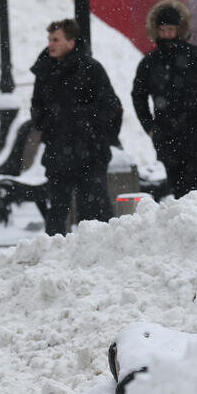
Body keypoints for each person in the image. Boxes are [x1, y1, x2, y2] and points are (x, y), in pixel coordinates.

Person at [30, 19, 122, 236]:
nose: (51, 44)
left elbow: (111, 107)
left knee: (93, 209)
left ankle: (99, 253)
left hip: (90, 152)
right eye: (50, 39)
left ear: (71, 43)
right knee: (58, 211)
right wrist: (48, 127)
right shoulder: (45, 71)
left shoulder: (90, 69)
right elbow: (37, 106)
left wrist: (95, 132)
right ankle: (55, 255)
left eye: (56, 39)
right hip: (58, 152)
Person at [131, 0, 197, 200]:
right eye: (163, 29)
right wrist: (150, 128)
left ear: (180, 29)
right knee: (177, 189)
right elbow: (138, 96)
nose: (167, 34)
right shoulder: (149, 63)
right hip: (167, 138)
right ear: (155, 30)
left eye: (171, 29)